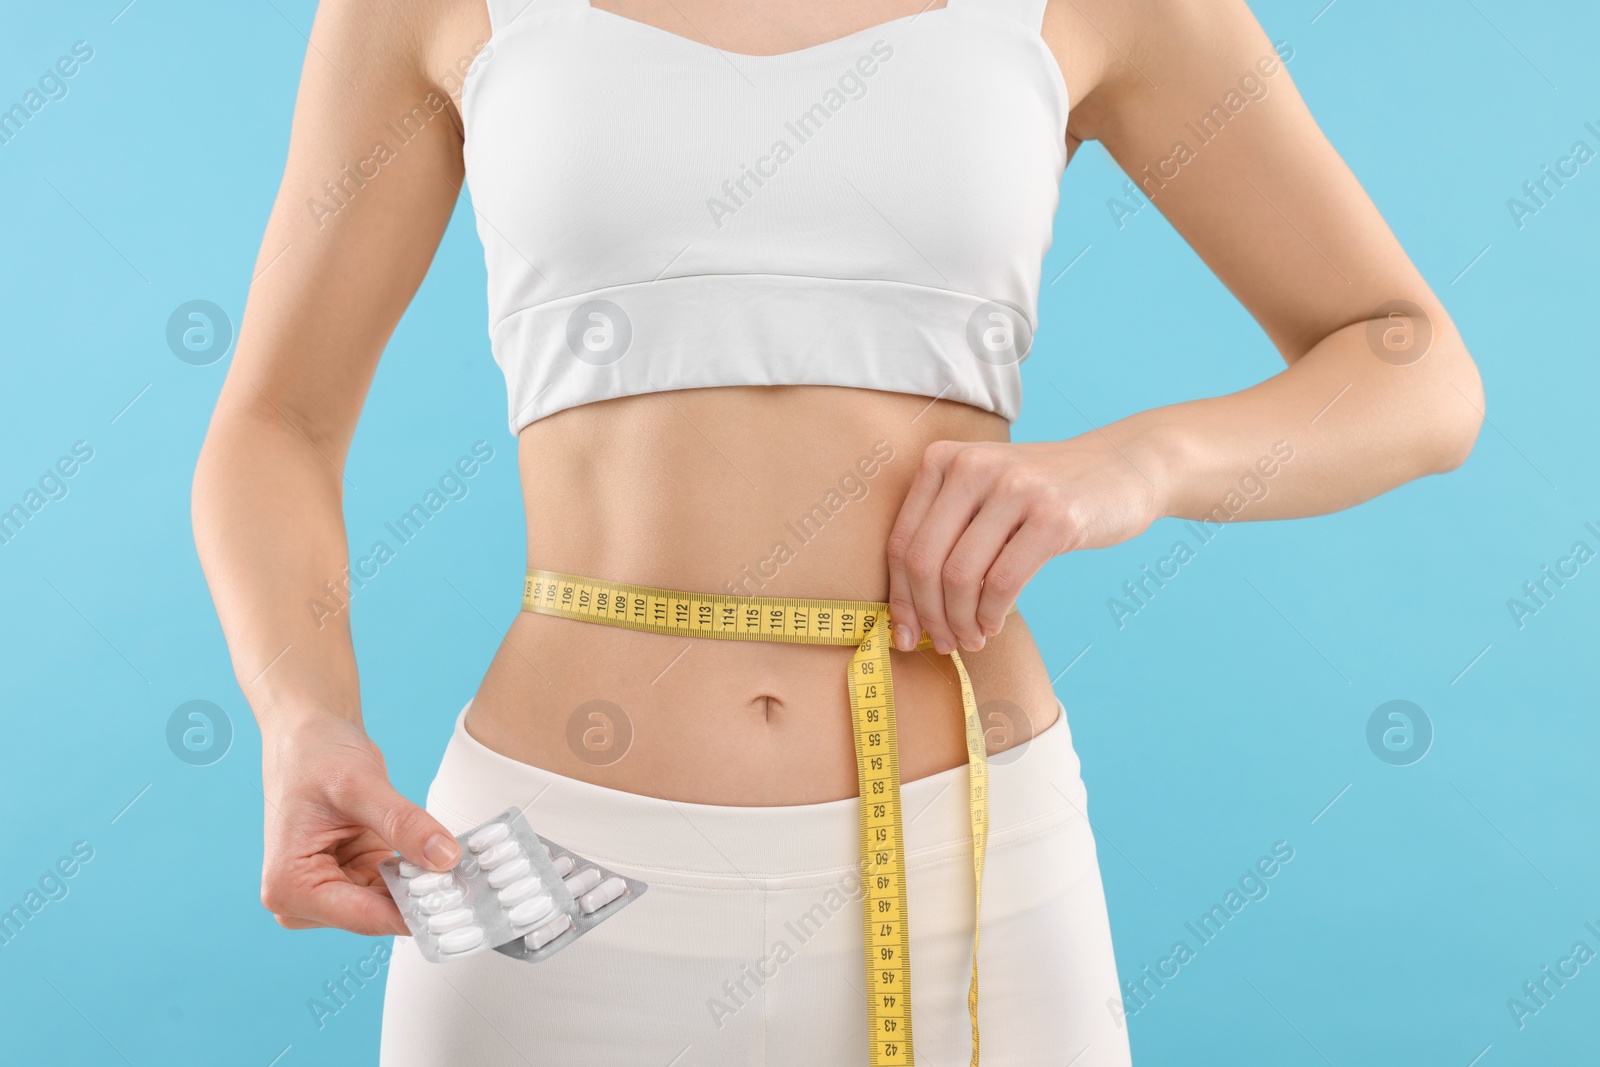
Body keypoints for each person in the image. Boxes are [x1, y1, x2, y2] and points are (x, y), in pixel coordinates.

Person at [191, 0, 1483, 1062]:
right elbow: (276, 422)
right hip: (555, 881)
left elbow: (1411, 364)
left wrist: (1136, 465)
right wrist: (306, 717)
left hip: (972, 866)